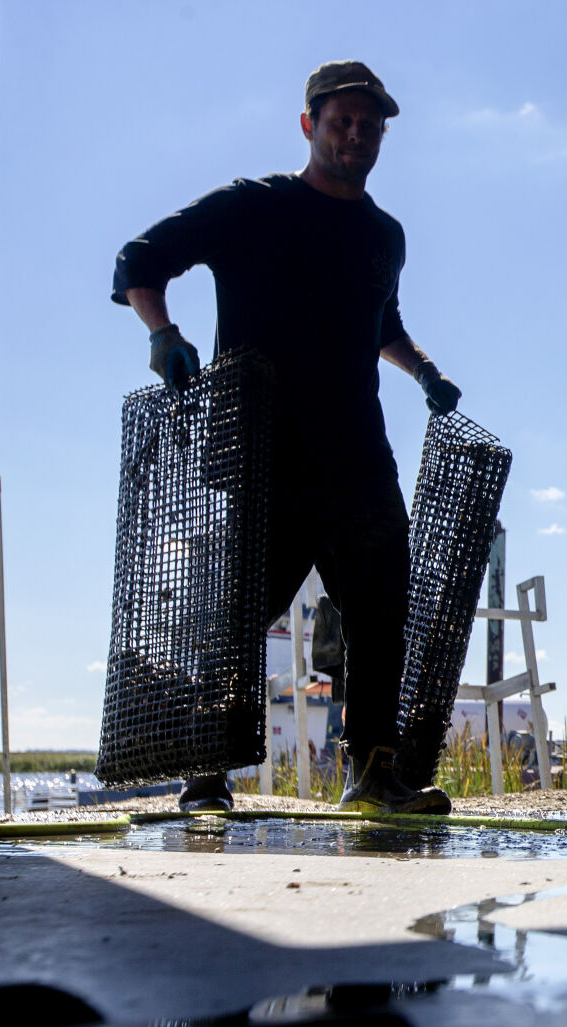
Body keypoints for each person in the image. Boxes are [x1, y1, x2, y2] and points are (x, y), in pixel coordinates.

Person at [112, 61, 459, 815]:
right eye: (342, 122)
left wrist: (423, 371)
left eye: (370, 126)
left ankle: (374, 773)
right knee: (239, 619)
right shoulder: (252, 207)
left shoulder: (383, 236)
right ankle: (205, 775)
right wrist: (161, 333)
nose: (357, 135)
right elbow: (140, 259)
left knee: (382, 610)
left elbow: (382, 325)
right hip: (264, 454)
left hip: (358, 456)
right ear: (310, 125)